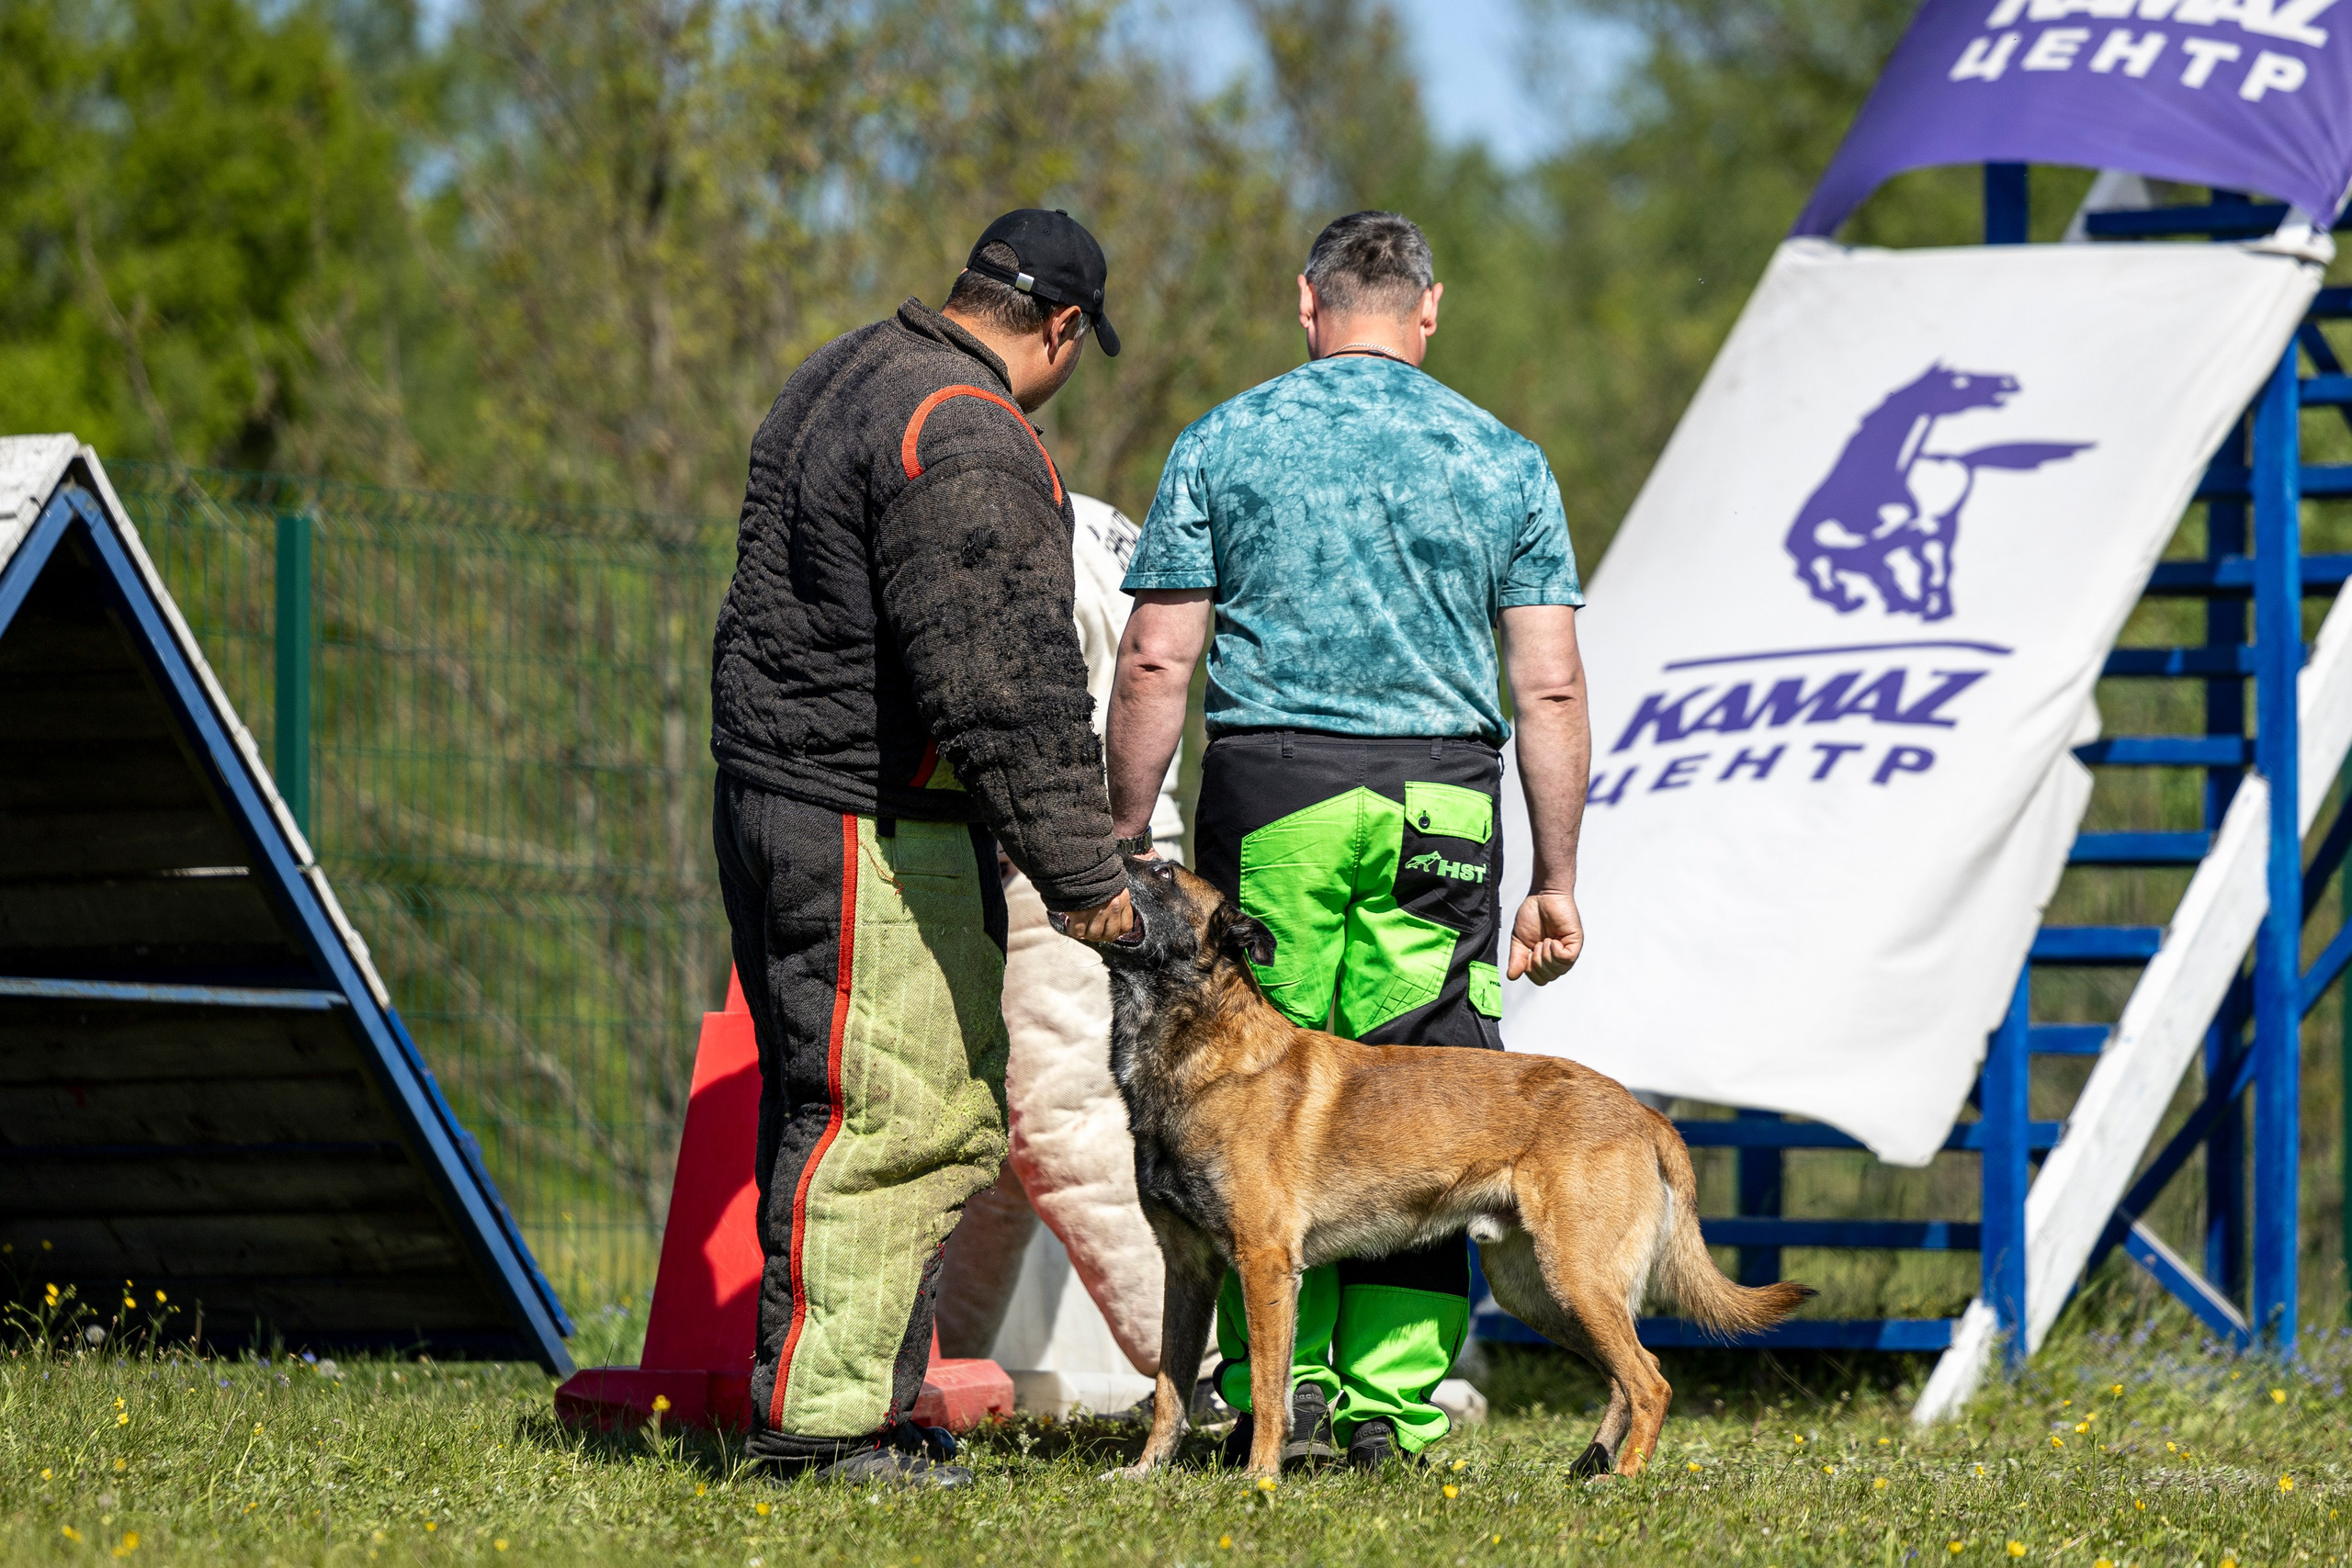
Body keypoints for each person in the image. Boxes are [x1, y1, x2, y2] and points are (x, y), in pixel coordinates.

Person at [1103, 209, 1592, 1472]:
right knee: (1427, 1095)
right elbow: (1547, 688)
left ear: (1307, 307)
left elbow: (1158, 651)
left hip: (1280, 790)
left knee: (1265, 1103)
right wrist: (1556, 874)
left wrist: (1118, 831)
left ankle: (1292, 1393)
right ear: (1429, 314)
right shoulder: (1505, 459)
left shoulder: (1225, 440)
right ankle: (1393, 1400)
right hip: (1445, 801)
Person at [710, 208, 1137, 1489]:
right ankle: (826, 1430)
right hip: (867, 818)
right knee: (888, 1117)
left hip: (783, 788)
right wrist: (1089, 881)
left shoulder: (837, 372)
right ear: (1061, 327)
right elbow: (1009, 682)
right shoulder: (967, 428)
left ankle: (867, 1406)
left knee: (865, 1109)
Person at [934, 493, 1187, 1392]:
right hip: (1124, 850)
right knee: (1008, 1149)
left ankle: (1215, 1382)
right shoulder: (1107, 522)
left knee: (1066, 1133)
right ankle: (940, 1372)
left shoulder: (1018, 524)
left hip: (1069, 863)